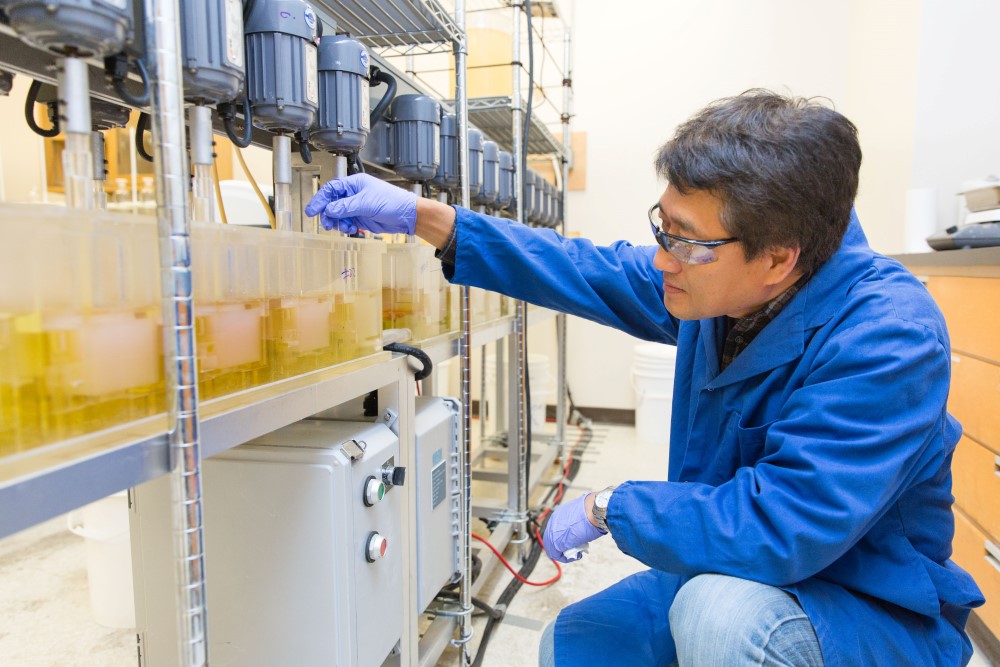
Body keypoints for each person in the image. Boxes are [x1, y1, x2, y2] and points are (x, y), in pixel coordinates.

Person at [305, 90, 985, 666]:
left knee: (718, 617)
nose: (662, 258)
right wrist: (428, 219)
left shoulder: (886, 332)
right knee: (576, 642)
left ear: (778, 258)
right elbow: (585, 267)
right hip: (739, 563)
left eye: (684, 239)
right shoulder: (719, 282)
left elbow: (782, 523)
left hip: (864, 602)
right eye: (663, 226)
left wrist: (611, 506)